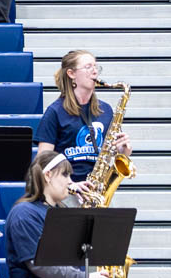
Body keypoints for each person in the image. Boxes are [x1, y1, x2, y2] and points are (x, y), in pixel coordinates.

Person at [36, 49, 132, 184]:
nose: (95, 71)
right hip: (65, 189)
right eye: (88, 67)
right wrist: (70, 185)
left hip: (96, 188)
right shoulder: (55, 111)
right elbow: (42, 163)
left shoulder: (106, 110)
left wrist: (122, 152)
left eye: (96, 67)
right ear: (71, 74)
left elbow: (108, 156)